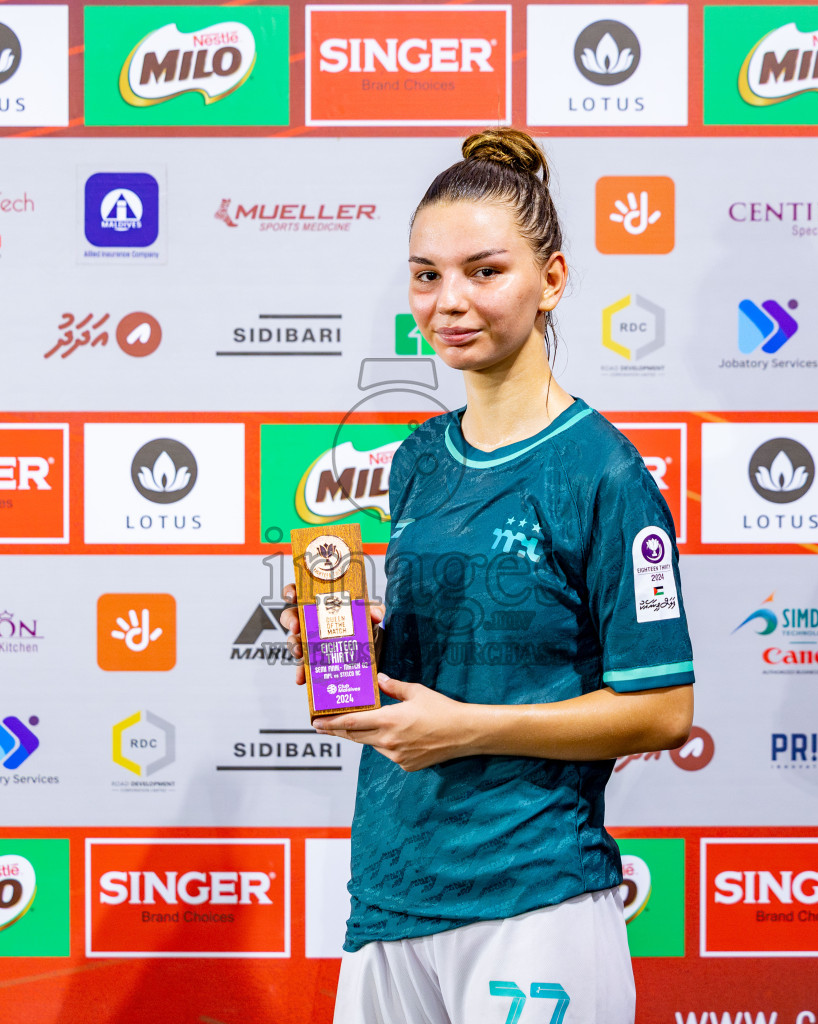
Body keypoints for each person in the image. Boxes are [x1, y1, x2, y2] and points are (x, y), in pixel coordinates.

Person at [279, 127, 696, 1024]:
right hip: (391, 890)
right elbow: (451, 665)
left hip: (532, 892)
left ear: (552, 281)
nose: (450, 301)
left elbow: (664, 711)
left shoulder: (604, 472)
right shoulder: (417, 457)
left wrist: (464, 729)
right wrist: (345, 649)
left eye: (484, 270)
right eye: (427, 274)